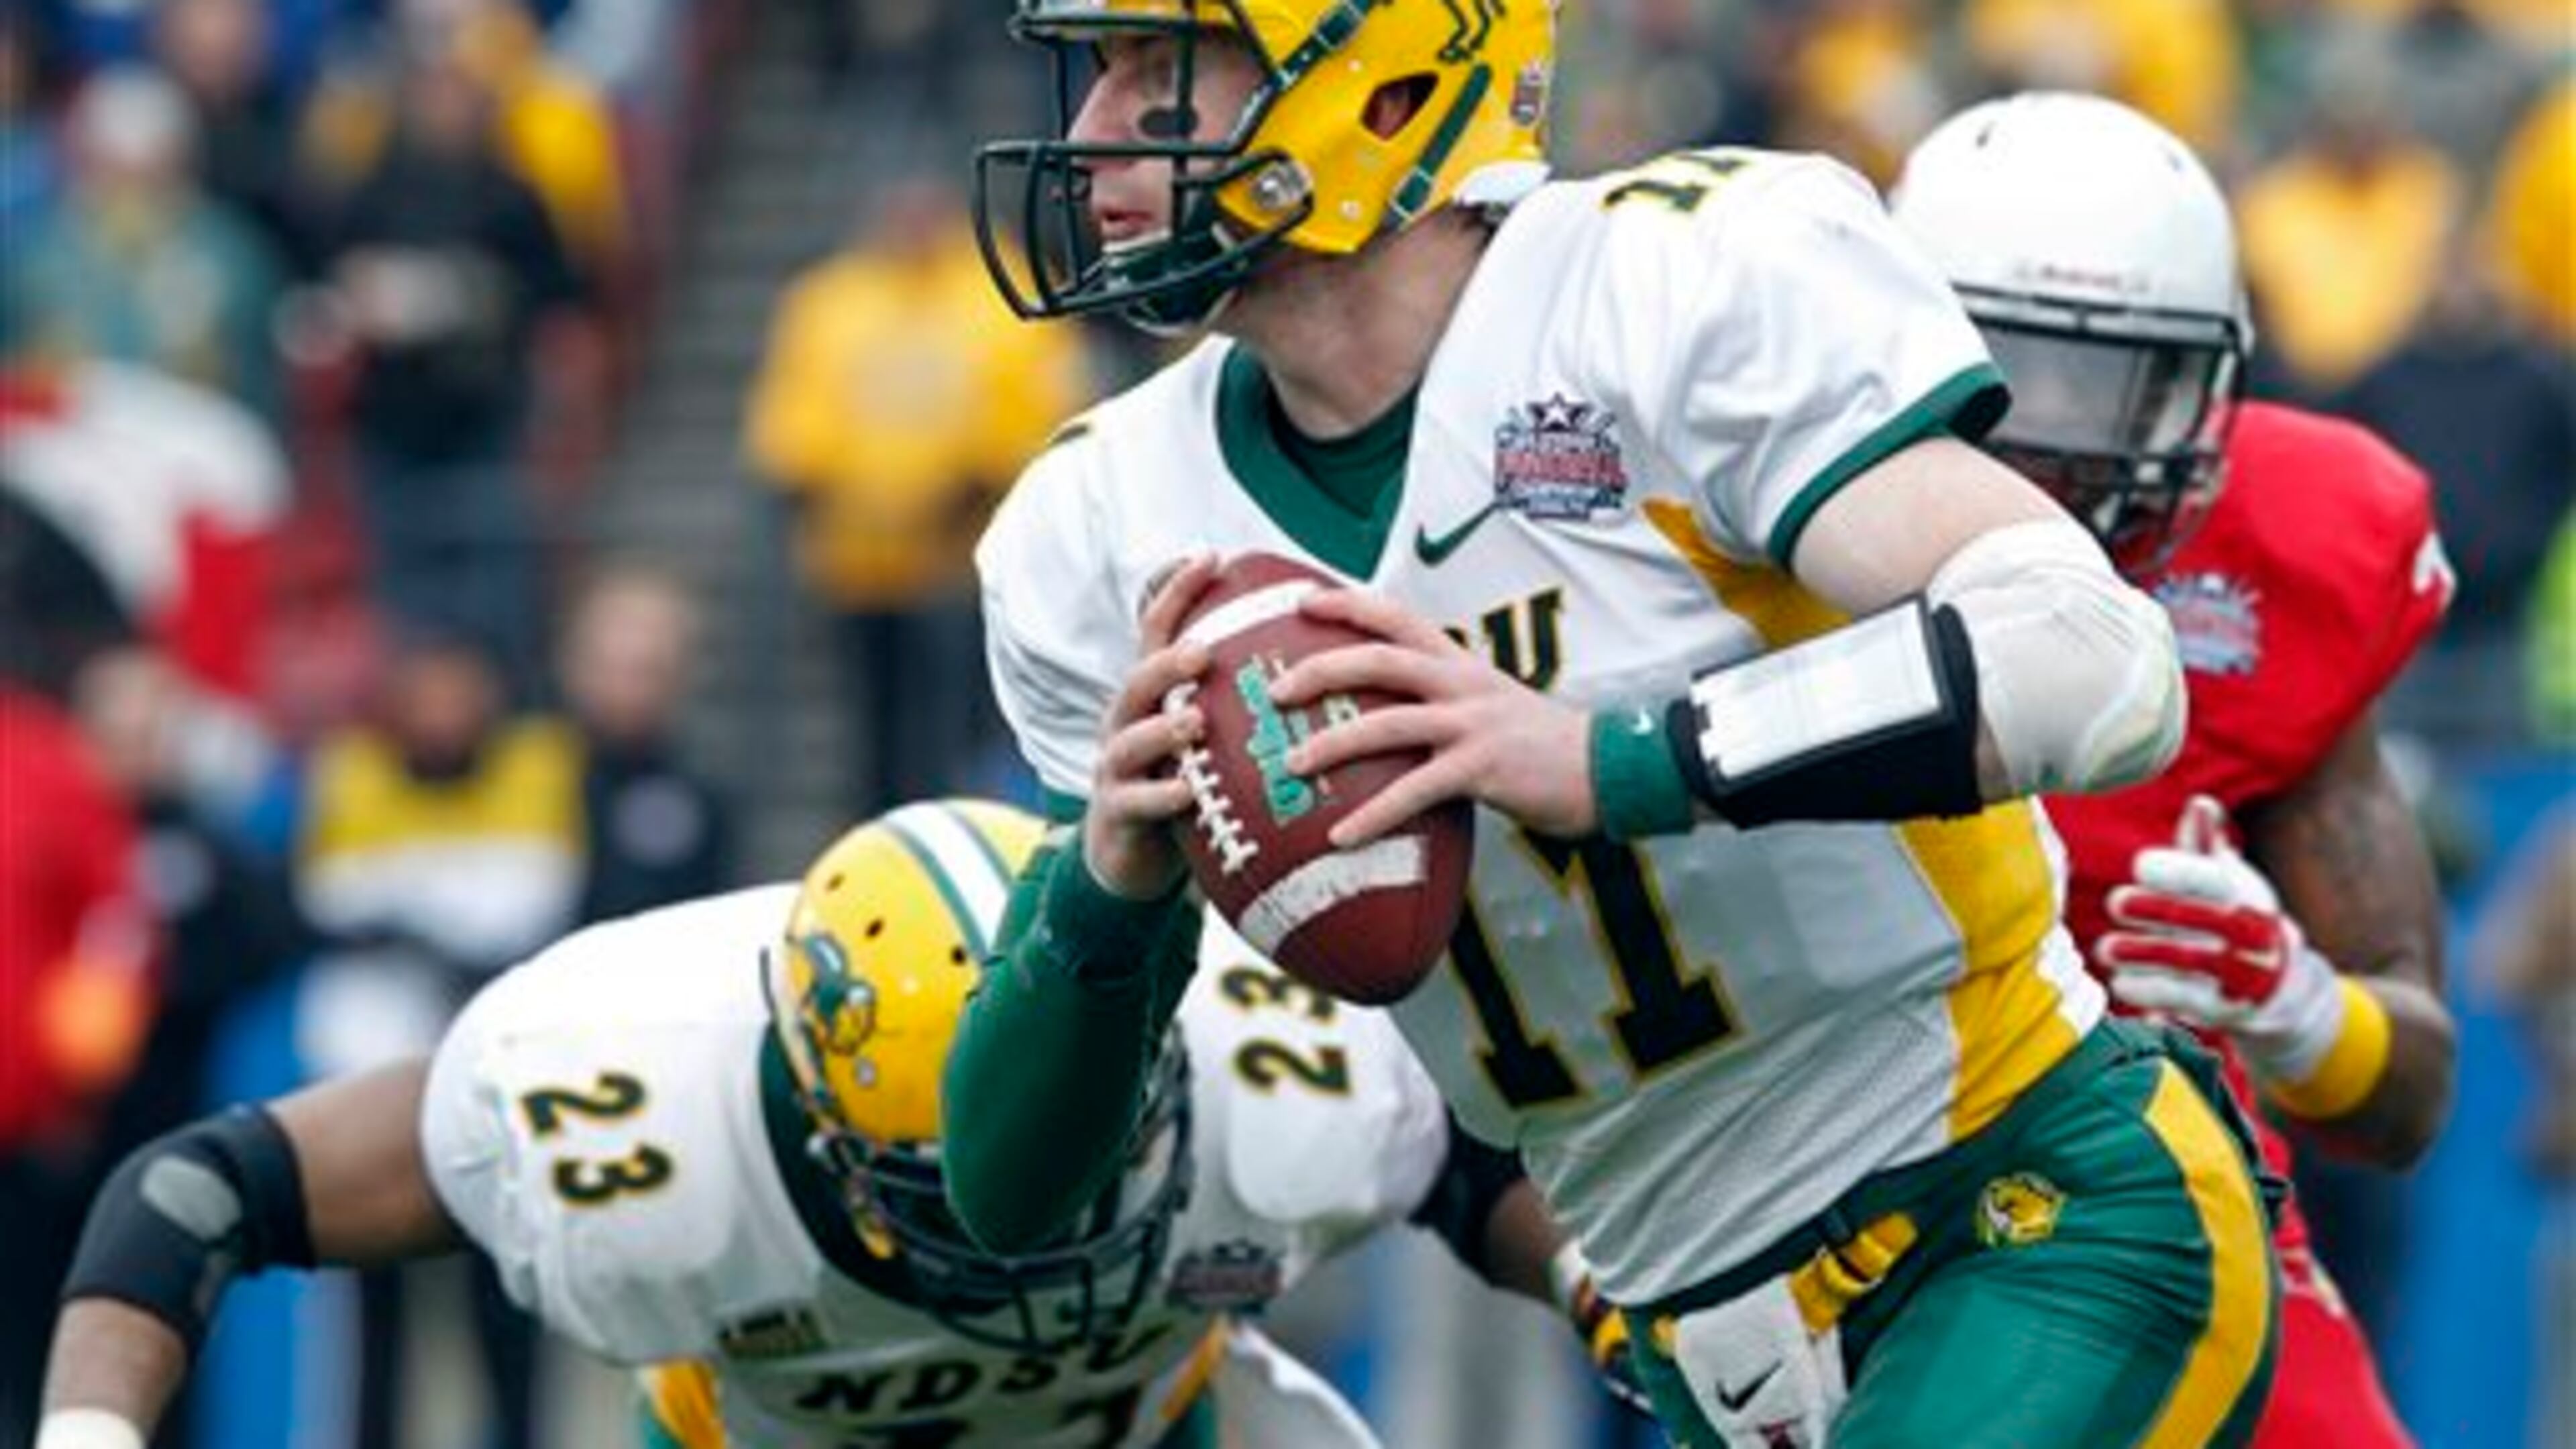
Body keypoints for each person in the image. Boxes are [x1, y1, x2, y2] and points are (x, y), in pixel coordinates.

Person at [944, 6, 2271, 1448]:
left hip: (2016, 1202)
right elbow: (1014, 1198)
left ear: (1384, 83)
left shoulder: (1662, 287)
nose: (1090, 137)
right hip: (1697, 1344)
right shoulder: (1103, 531)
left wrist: (1609, 761)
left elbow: (2091, 661)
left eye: (1162, 68)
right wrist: (1110, 889)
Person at [36, 799, 1617, 1449]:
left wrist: (1619, 1304)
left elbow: (1469, 1167)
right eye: (957, 1180)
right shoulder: (627, 1094)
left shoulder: (1264, 1059)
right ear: (818, 1120)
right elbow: (202, 1194)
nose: (1034, 1216)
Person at [1888, 91, 2460, 1449]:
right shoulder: (1741, 504)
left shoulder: (2300, 534)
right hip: (1819, 1162)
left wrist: (2302, 1009)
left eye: (2120, 382)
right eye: (2014, 377)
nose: (2068, 443)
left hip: (2150, 1157)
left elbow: (2412, 1093)